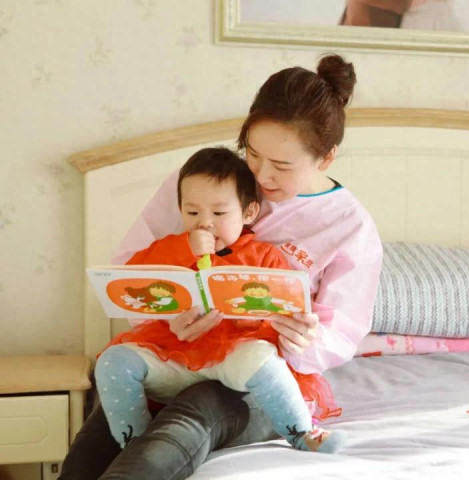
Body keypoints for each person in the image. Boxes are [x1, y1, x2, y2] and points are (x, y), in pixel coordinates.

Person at [59, 53, 382, 479]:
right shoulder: (202, 181)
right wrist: (171, 314)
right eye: (253, 154)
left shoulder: (349, 227)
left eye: (282, 166)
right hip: (176, 351)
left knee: (192, 415)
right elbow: (131, 272)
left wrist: (304, 338)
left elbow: (341, 333)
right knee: (100, 432)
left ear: (326, 158)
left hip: (261, 373)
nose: (261, 176)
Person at [95, 146, 344, 454]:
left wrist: (256, 320)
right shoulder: (169, 249)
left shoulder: (263, 257)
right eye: (193, 213)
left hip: (234, 359)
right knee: (113, 361)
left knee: (264, 358)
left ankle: (302, 432)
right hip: (172, 357)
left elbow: (285, 308)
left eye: (219, 213)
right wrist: (184, 249)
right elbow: (133, 279)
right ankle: (134, 443)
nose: (205, 223)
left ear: (248, 212)